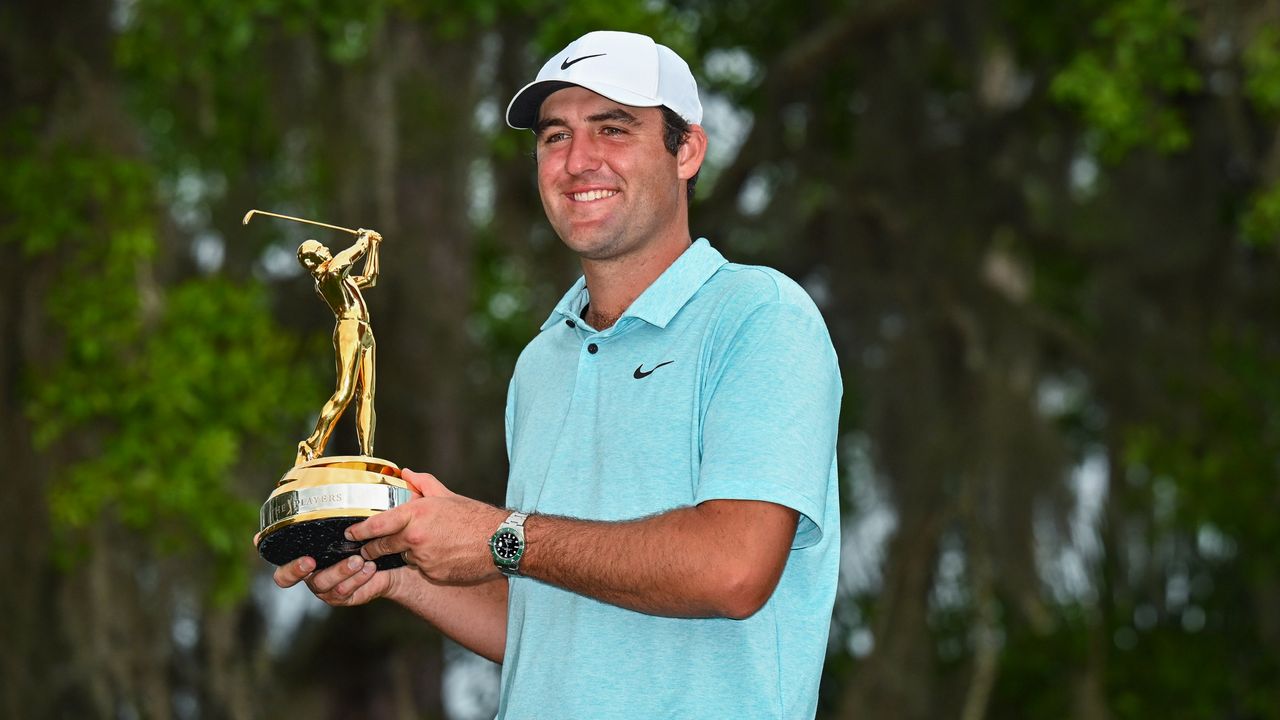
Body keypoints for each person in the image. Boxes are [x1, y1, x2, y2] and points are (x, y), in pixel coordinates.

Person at [274, 30, 842, 719]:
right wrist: (399, 571)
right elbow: (549, 628)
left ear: (687, 150)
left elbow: (733, 569)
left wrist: (498, 536)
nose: (578, 161)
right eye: (555, 137)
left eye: (613, 129)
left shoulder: (759, 316)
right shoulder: (541, 362)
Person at [293, 229, 382, 465]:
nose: (326, 249)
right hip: (349, 329)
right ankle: (312, 446)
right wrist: (364, 239)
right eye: (320, 249)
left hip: (365, 330)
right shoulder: (328, 276)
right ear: (312, 261)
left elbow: (370, 278)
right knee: (344, 393)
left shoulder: (339, 276)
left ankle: (367, 454)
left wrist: (374, 245)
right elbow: (348, 257)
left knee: (367, 395)